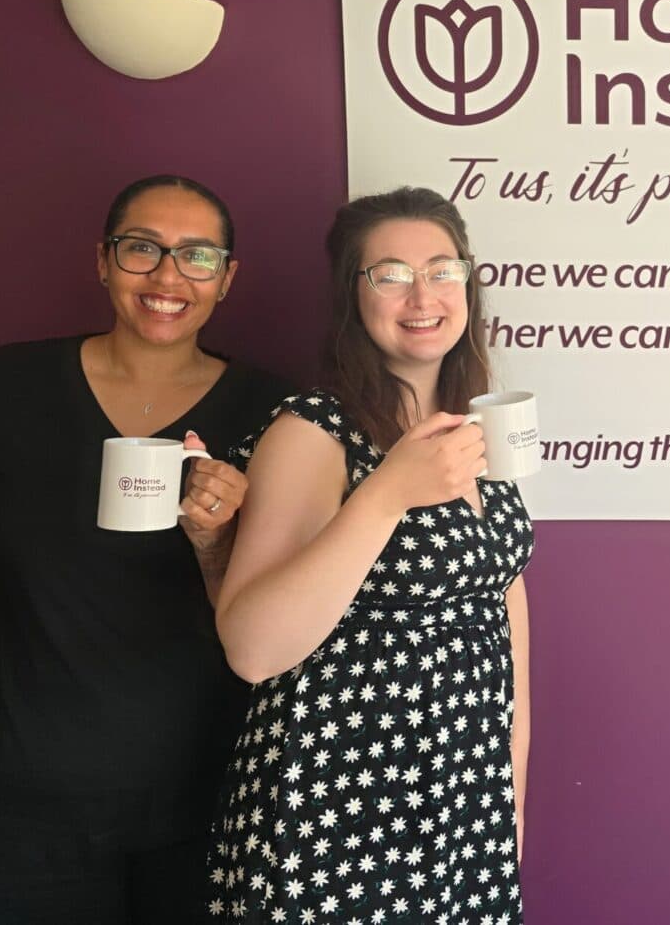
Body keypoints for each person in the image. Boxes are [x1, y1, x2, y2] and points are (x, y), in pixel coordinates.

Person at [0, 175, 289, 924]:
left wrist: (217, 538)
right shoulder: (0, 386)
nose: (167, 276)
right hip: (9, 800)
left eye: (197, 256)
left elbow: (275, 611)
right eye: (141, 249)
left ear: (227, 279)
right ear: (103, 261)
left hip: (203, 794)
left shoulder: (276, 415)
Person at [204, 187, 534, 923]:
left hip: (460, 812)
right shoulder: (311, 432)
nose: (422, 294)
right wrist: (386, 496)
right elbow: (253, 650)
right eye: (389, 273)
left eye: (443, 269)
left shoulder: (480, 429)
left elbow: (506, 630)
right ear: (354, 295)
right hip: (337, 812)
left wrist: (508, 809)